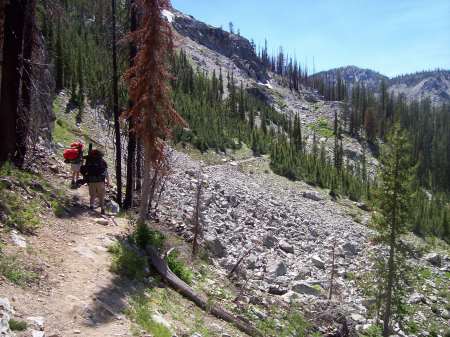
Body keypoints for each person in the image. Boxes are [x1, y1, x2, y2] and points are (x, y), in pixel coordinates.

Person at [83, 149, 110, 215]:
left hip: (91, 180)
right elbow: (106, 172)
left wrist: (86, 179)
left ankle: (91, 206)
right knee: (101, 195)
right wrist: (108, 181)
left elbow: (85, 170)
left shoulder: (89, 160)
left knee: (92, 195)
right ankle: (102, 209)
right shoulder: (102, 161)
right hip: (100, 181)